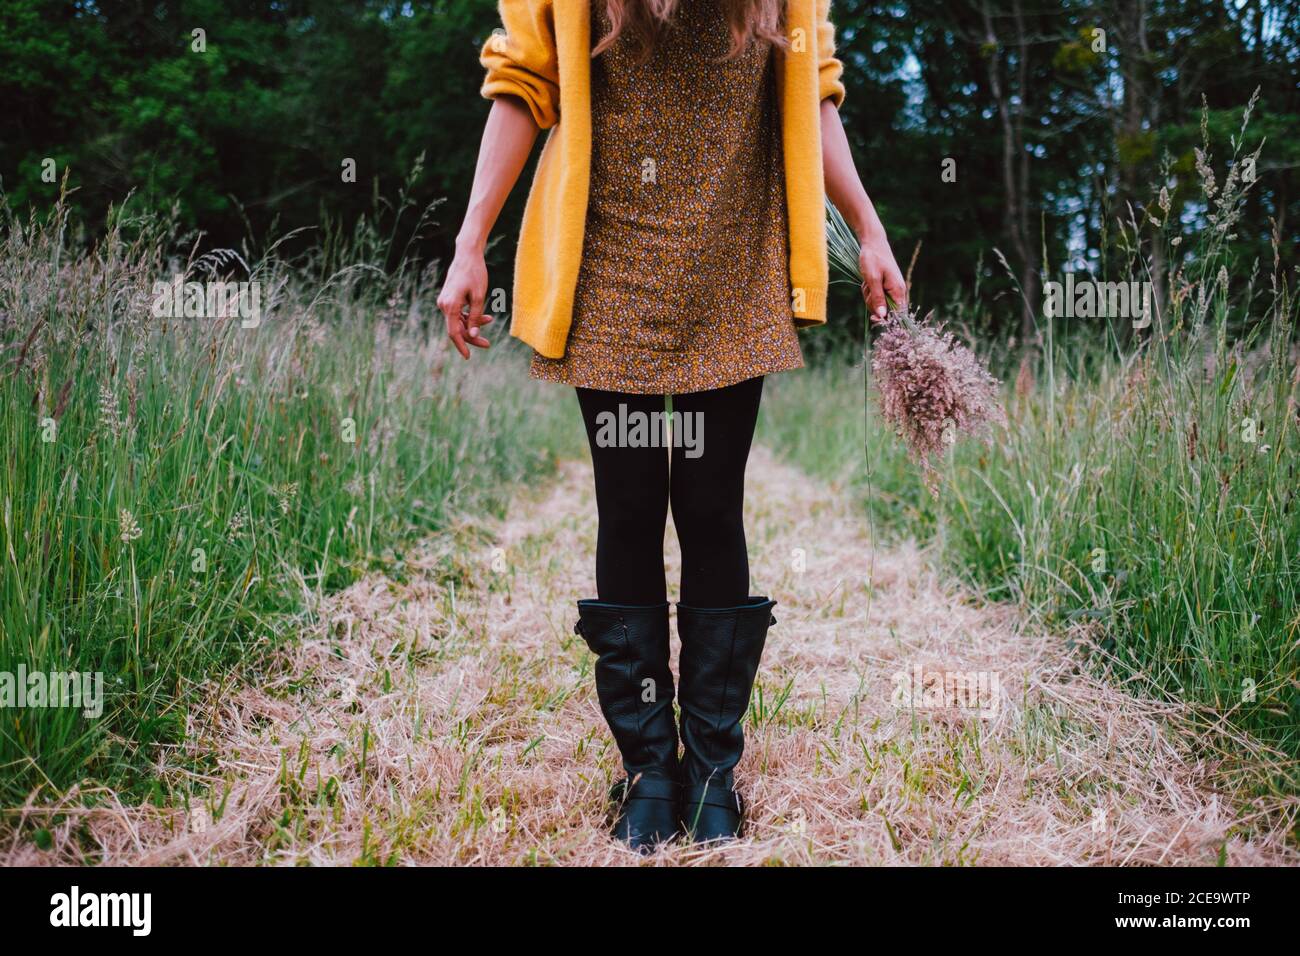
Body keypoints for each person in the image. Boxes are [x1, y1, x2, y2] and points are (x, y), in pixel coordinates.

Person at [438, 0, 906, 851]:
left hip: (732, 262)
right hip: (608, 259)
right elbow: (520, 83)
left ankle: (714, 769)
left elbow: (816, 90)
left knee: (710, 507)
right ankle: (651, 765)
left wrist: (869, 228)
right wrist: (471, 242)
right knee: (627, 507)